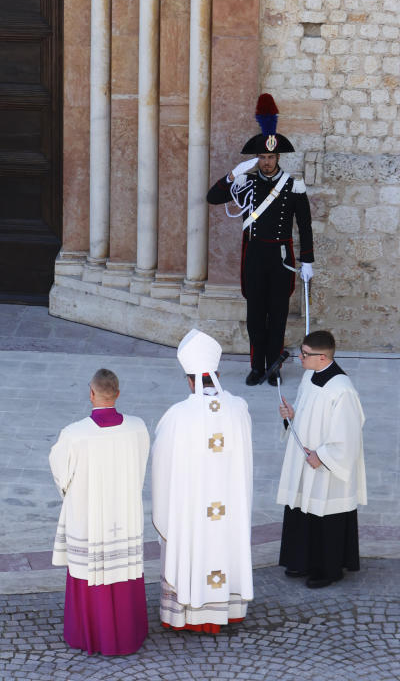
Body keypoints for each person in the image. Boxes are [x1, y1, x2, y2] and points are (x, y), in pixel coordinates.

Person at [151, 329, 253, 634]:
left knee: (190, 545)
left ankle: (187, 611)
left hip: (191, 511)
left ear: (189, 379)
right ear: (218, 373)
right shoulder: (239, 409)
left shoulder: (177, 416)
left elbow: (161, 465)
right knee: (225, 543)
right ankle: (227, 608)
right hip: (229, 506)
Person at [207, 93, 314, 384]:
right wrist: (232, 175)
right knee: (255, 315)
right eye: (263, 158)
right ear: (258, 158)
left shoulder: (294, 185)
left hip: (281, 258)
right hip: (254, 256)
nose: (267, 162)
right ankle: (256, 366)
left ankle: (273, 368)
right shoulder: (246, 181)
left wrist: (307, 261)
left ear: (278, 157)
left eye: (271, 157)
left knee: (277, 315)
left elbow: (304, 225)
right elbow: (212, 198)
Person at [49, 367, 150, 656]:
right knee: (125, 571)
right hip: (125, 513)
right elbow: (140, 466)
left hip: (88, 516)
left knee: (89, 571)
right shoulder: (137, 427)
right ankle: (129, 634)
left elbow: (61, 474)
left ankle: (88, 634)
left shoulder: (75, 434)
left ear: (91, 393)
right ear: (117, 393)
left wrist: (74, 496)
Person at [276, 329, 365, 588]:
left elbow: (349, 435)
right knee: (303, 510)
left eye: (305, 354)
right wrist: (291, 415)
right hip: (304, 458)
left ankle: (329, 570)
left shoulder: (342, 390)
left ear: (323, 357)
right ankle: (301, 561)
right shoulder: (309, 376)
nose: (300, 359)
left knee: (325, 515)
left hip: (325, 466)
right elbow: (306, 412)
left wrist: (323, 456)